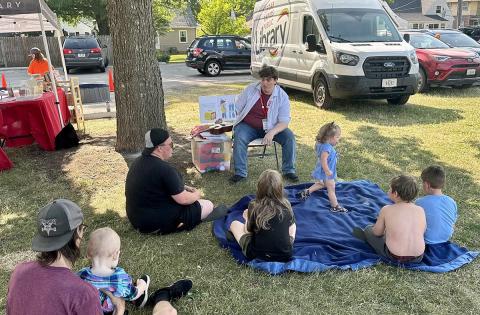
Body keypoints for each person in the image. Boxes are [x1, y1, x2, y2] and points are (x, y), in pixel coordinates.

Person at [6, 199, 103, 315]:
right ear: (78, 232)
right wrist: (119, 309)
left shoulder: (19, 272)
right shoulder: (84, 294)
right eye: (82, 229)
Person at [125, 128, 228, 235]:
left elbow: (154, 186)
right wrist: (197, 194)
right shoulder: (165, 169)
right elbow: (183, 199)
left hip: (136, 220)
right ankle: (192, 220)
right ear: (159, 148)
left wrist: (181, 187)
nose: (172, 147)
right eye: (170, 144)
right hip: (155, 224)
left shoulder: (136, 163)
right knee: (208, 205)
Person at [229, 65, 298, 184]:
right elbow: (237, 107)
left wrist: (272, 132)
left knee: (289, 137)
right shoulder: (250, 89)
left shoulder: (282, 96)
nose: (264, 83)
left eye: (268, 80)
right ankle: (240, 173)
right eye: (262, 79)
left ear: (275, 81)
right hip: (248, 126)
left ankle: (288, 171)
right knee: (239, 136)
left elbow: (284, 122)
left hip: (272, 128)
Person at [353, 175, 426, 263]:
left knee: (369, 229)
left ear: (395, 194)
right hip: (418, 257)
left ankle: (367, 238)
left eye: (389, 188)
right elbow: (422, 230)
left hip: (394, 256)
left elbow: (377, 233)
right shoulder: (420, 210)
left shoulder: (387, 209)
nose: (388, 190)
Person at [228, 169, 297, 262]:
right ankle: (287, 242)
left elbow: (248, 231)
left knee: (234, 224)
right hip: (285, 253)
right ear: (280, 188)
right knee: (293, 225)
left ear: (259, 188)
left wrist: (247, 218)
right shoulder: (286, 204)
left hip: (257, 254)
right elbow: (290, 226)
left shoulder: (254, 205)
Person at [78, 227, 150, 314]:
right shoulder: (118, 278)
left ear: (88, 254)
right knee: (126, 290)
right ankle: (137, 298)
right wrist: (142, 285)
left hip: (90, 311)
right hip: (109, 311)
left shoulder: (82, 274)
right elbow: (133, 295)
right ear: (115, 255)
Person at [297, 122, 347, 212]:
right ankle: (335, 206)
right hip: (326, 171)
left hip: (322, 169)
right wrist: (327, 171)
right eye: (337, 137)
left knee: (321, 184)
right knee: (331, 188)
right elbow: (324, 160)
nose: (338, 140)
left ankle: (307, 192)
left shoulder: (321, 144)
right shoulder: (327, 148)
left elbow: (325, 157)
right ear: (329, 138)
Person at [415, 165, 457, 244]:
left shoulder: (419, 202)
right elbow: (453, 222)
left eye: (422, 182)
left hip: (426, 242)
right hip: (445, 239)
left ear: (427, 185)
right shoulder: (451, 201)